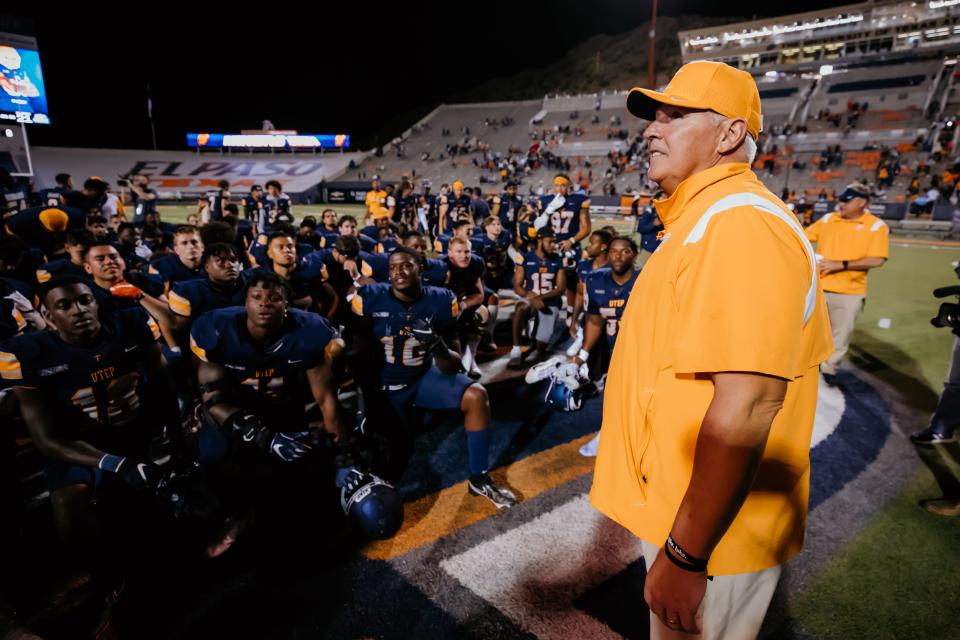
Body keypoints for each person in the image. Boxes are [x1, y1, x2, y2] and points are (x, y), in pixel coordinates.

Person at [590, 60, 833, 638]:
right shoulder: (707, 220)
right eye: (653, 116)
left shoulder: (739, 225)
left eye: (673, 114)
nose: (651, 129)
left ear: (728, 134)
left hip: (709, 536)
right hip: (693, 514)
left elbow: (746, 409)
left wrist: (686, 555)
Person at [1, 276, 179, 555]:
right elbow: (46, 439)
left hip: (133, 430)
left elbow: (163, 385)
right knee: (69, 511)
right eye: (65, 305)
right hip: (77, 443)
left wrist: (176, 442)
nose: (78, 310)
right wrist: (114, 464)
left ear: (96, 303)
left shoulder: (131, 325)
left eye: (85, 300)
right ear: (49, 315)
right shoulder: (29, 354)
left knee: (156, 516)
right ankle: (106, 575)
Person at [192, 271, 350, 556]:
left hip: (282, 405)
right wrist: (263, 435)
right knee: (212, 457)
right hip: (232, 409)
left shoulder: (307, 331)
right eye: (257, 297)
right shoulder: (217, 328)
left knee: (305, 464)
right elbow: (212, 400)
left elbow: (326, 399)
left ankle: (299, 520)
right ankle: (239, 515)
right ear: (246, 302)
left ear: (286, 303)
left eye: (274, 297)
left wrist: (344, 455)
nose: (265, 303)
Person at [350, 247, 517, 508]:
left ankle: (479, 477)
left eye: (405, 265)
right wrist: (365, 404)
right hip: (386, 385)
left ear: (421, 269)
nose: (397, 272)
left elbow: (453, 366)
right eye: (393, 267)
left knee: (476, 395)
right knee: (394, 458)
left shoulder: (441, 300)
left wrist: (436, 343)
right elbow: (359, 355)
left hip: (424, 376)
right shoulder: (370, 298)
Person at [804, 182, 889, 384]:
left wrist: (840, 265)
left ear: (861, 202)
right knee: (807, 330)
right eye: (841, 199)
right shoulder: (828, 219)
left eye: (846, 200)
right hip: (818, 287)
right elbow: (804, 236)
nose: (840, 203)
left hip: (849, 291)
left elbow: (877, 259)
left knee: (839, 336)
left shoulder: (876, 226)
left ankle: (829, 370)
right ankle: (805, 365)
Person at [573, 236, 640, 457]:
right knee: (611, 391)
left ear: (634, 255)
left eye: (625, 252)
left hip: (641, 350)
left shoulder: (646, 280)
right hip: (611, 348)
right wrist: (581, 355)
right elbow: (595, 320)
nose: (617, 256)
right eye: (613, 251)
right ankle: (609, 435)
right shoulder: (595, 279)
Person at [168, 243, 245, 349]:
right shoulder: (188, 291)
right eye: (221, 261)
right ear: (207, 267)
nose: (229, 264)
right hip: (207, 347)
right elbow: (182, 331)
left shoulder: (253, 283)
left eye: (233, 260)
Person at [508, 227, 565, 369]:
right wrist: (530, 296)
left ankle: (533, 333)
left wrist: (539, 297)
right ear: (540, 241)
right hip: (529, 299)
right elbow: (517, 286)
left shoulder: (558, 260)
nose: (554, 245)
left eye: (555, 242)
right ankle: (515, 349)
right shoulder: (524, 258)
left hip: (549, 302)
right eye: (550, 241)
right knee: (521, 308)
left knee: (540, 346)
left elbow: (560, 288)